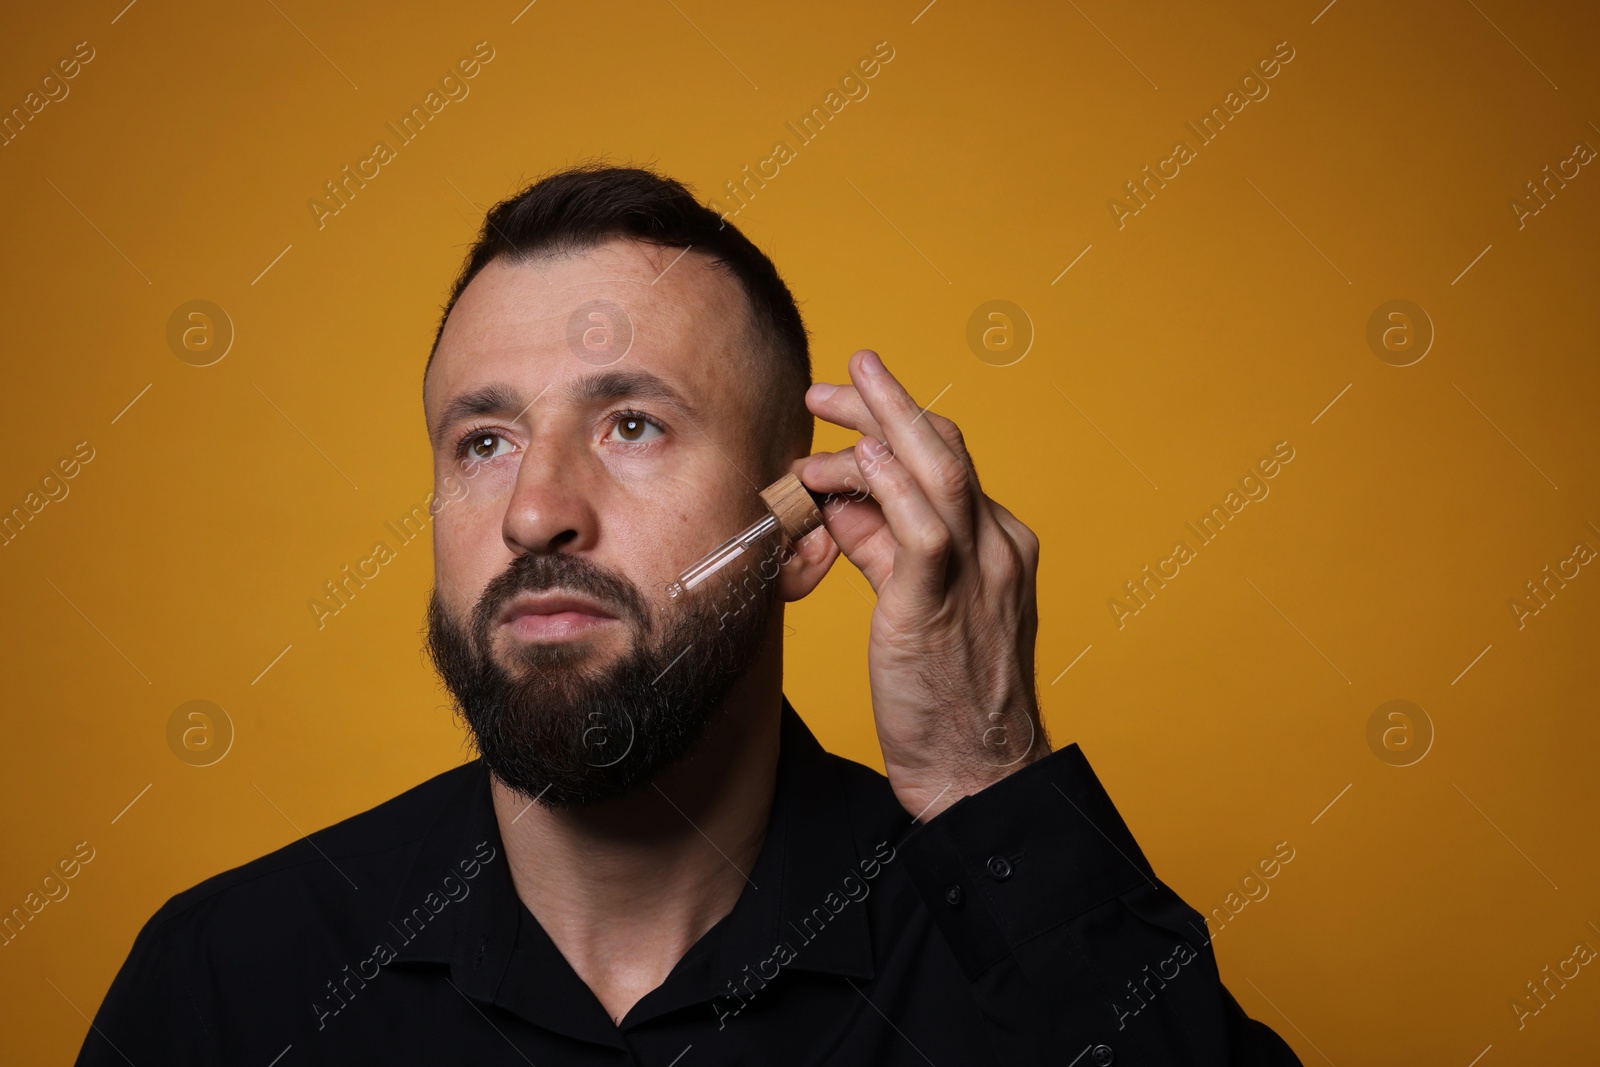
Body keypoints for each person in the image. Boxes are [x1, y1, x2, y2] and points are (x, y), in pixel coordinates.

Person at [76, 165, 1301, 1065]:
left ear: (803, 524)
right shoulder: (228, 983)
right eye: (485, 439)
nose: (535, 511)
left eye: (633, 424)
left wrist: (992, 777)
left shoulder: (1005, 975)